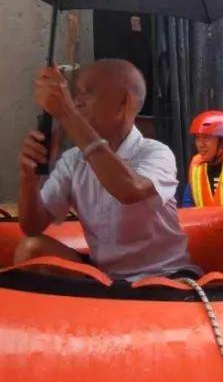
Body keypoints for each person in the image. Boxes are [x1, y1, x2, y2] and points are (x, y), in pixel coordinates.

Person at [16, 59, 198, 281]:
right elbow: (32, 225)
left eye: (86, 94)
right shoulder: (73, 160)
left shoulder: (156, 153)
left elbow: (129, 189)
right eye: (75, 95)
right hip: (105, 278)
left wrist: (66, 114)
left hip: (163, 276)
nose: (76, 102)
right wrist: (30, 178)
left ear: (124, 102)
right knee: (31, 248)